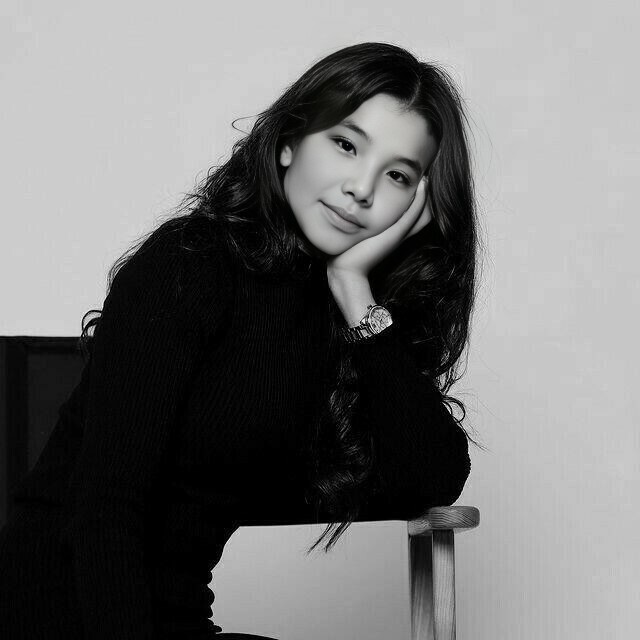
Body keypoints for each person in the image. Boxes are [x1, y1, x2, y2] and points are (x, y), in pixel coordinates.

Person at [0, 41, 482, 639]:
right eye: (346, 144)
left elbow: (431, 478)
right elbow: (104, 511)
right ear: (289, 142)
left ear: (417, 204)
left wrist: (354, 291)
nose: (362, 188)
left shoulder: (341, 319)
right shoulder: (187, 264)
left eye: (398, 175)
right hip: (59, 619)